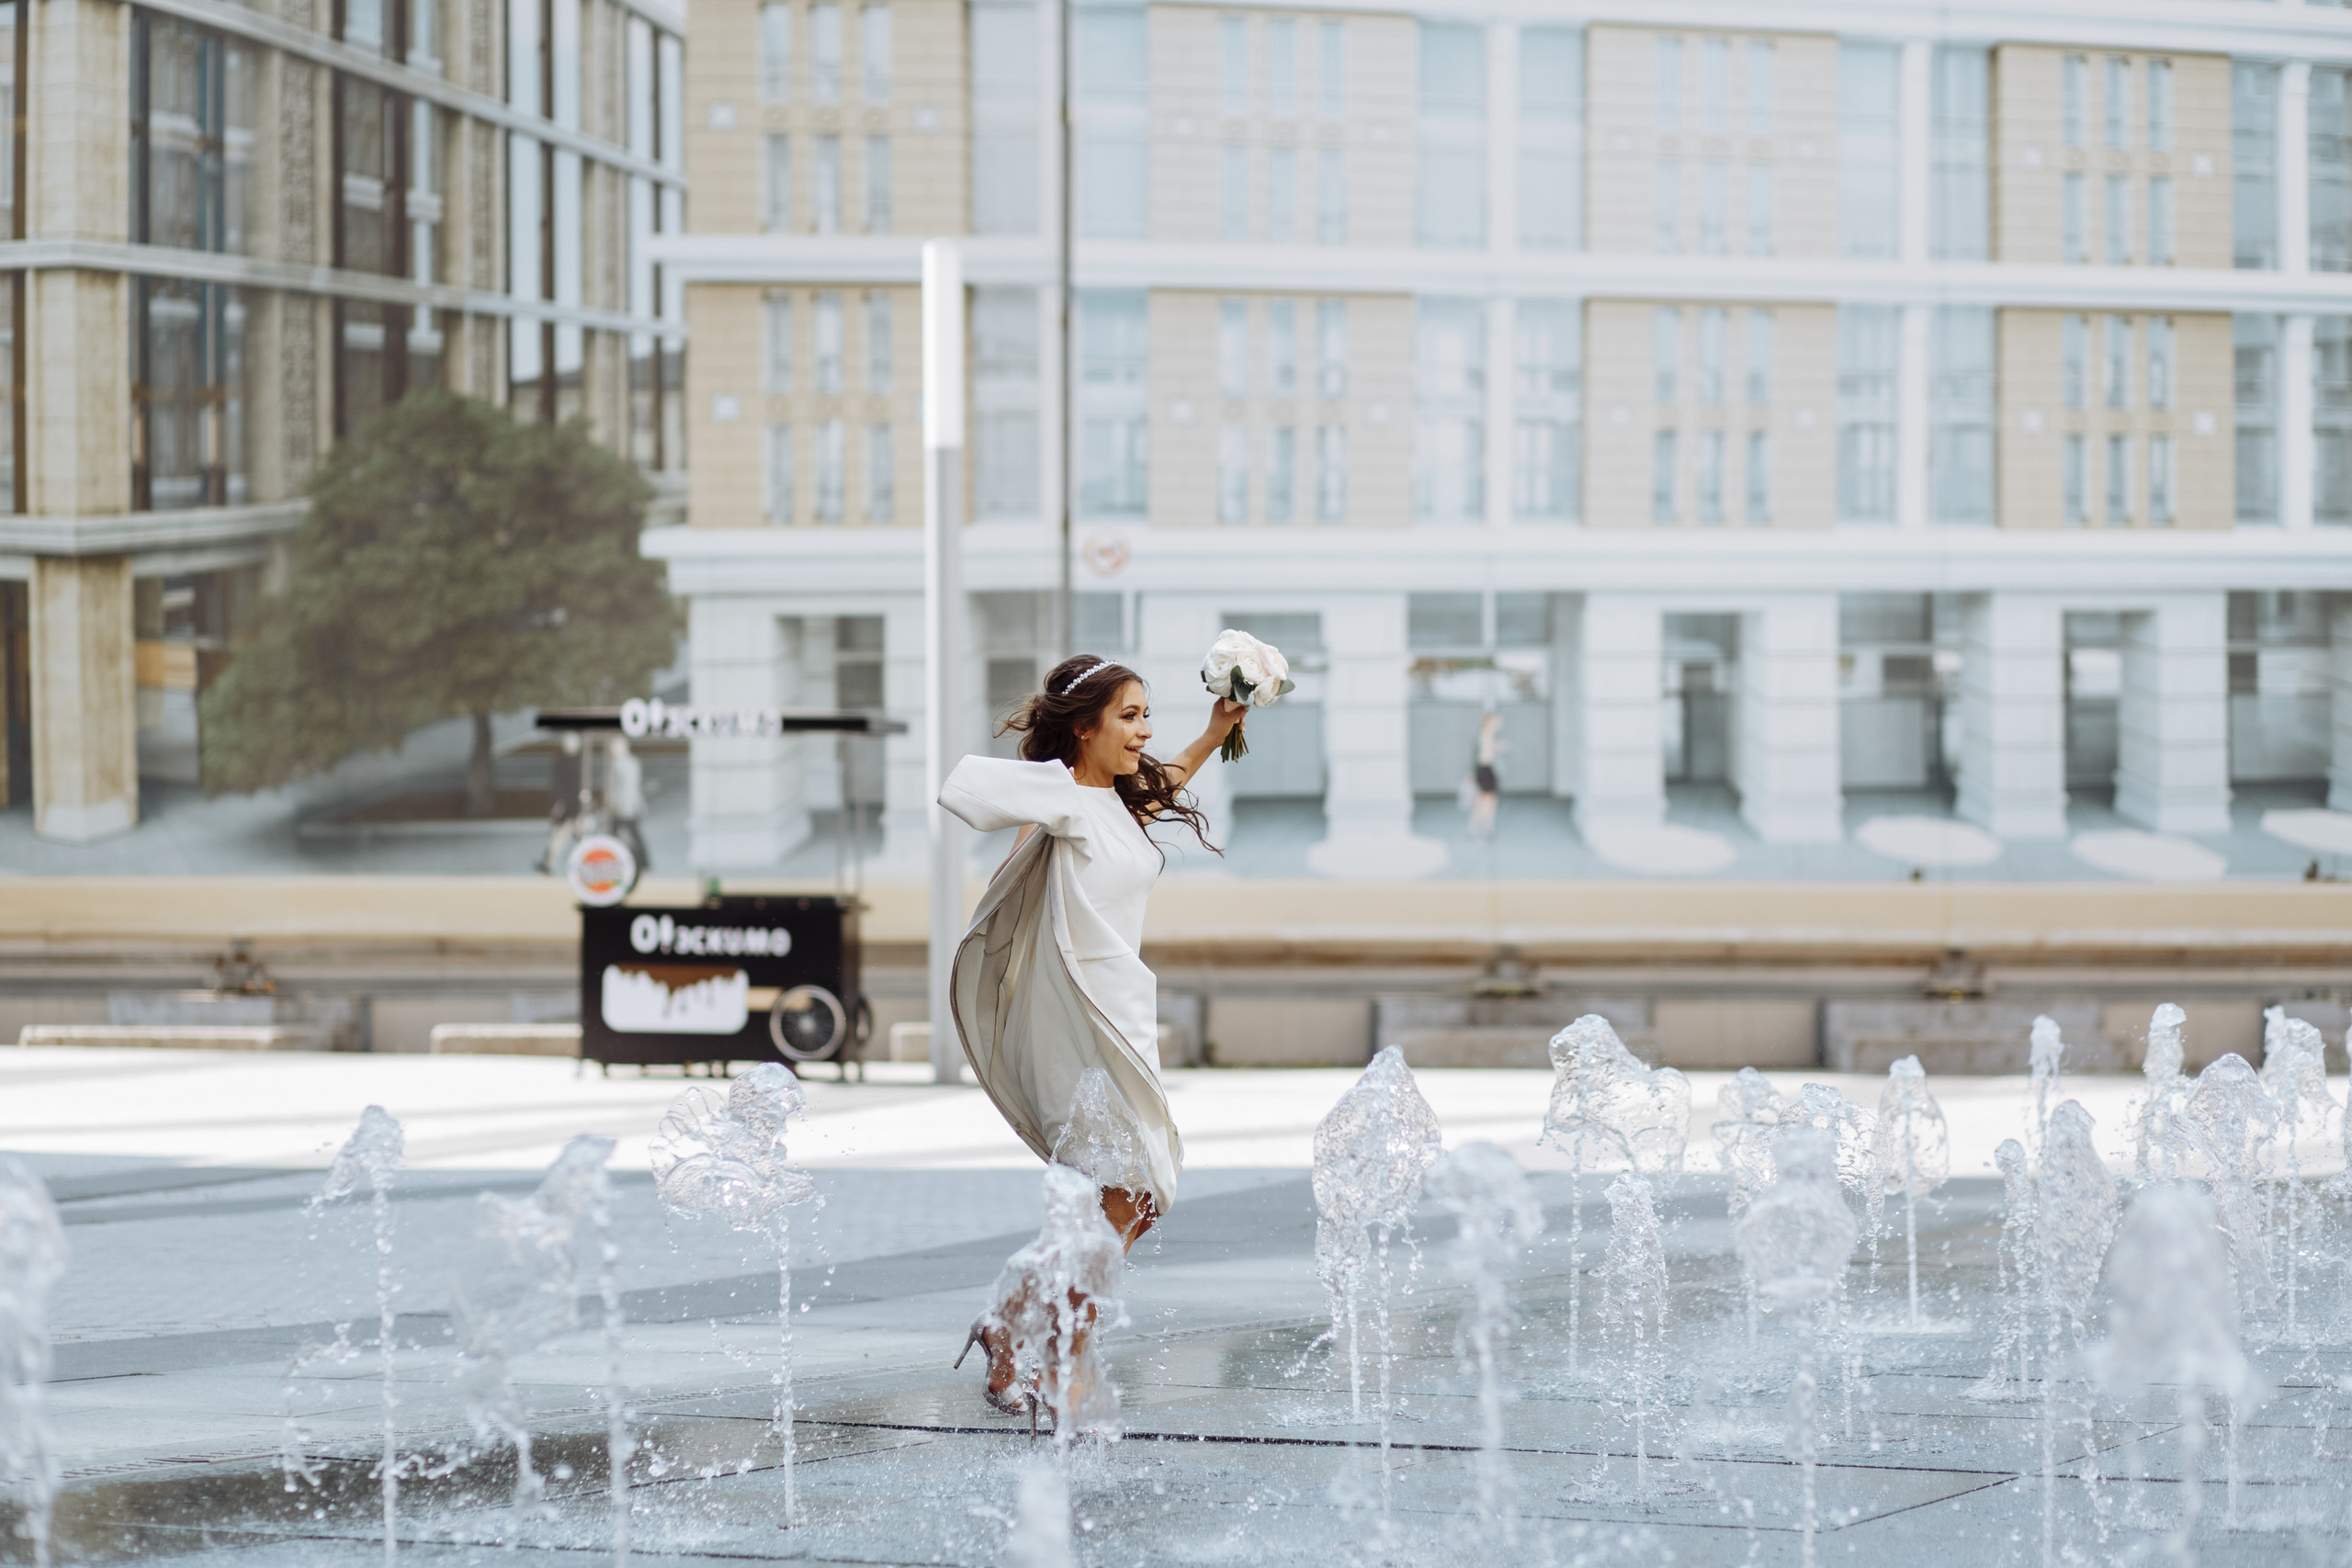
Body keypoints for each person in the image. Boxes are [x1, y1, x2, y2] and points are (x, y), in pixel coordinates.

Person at [937, 654, 1245, 1416]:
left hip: (1121, 1013)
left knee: (1126, 1199)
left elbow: (1162, 784)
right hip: (1080, 1023)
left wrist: (1214, 733)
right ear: (1083, 727)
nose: (1144, 731)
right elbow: (965, 790)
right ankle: (1060, 1355)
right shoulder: (1066, 798)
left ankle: (1009, 1326)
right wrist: (1041, 795)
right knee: (1133, 1190)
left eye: (1146, 715)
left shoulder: (1114, 802)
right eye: (1128, 716)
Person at [1467, 709, 1503, 840]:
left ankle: (1487, 828)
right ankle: (1474, 828)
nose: (1498, 724)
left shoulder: (1491, 735)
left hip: (1489, 769)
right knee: (1481, 800)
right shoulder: (1481, 735)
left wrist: (1497, 747)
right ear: (1489, 722)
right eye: (1496, 721)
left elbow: (1490, 753)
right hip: (1482, 769)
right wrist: (1471, 773)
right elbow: (1474, 754)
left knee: (1490, 800)